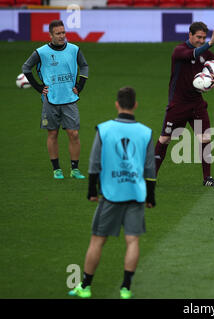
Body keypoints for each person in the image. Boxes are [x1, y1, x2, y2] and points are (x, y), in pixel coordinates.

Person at [68, 87, 156, 299]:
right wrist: (151, 196)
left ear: (117, 104)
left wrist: (91, 191)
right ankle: (126, 288)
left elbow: (94, 163)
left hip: (110, 194)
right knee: (133, 241)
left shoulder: (104, 129)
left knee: (97, 241)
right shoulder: (145, 132)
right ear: (135, 105)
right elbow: (150, 168)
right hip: (135, 194)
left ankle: (86, 286)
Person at [154, 22, 214, 187]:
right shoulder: (179, 51)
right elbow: (193, 54)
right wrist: (210, 43)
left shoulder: (205, 53)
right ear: (190, 35)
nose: (201, 40)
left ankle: (207, 178)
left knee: (205, 139)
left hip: (197, 104)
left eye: (204, 38)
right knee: (165, 139)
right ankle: (151, 176)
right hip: (178, 105)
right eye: (198, 37)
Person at [22, 20, 89, 180]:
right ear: (50, 35)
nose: (61, 36)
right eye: (58, 33)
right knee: (52, 133)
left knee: (74, 134)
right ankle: (56, 169)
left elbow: (84, 66)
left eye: (63, 33)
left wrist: (80, 86)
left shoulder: (74, 49)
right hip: (50, 100)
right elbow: (26, 68)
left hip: (69, 99)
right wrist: (39, 88)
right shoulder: (41, 52)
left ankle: (75, 169)